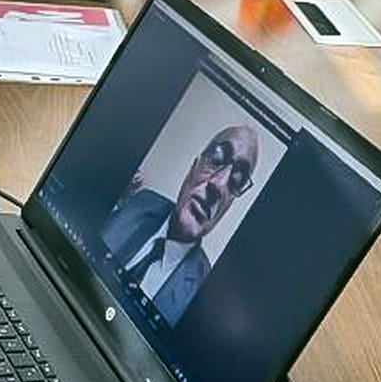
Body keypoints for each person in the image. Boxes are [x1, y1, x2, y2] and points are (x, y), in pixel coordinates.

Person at [99, 124, 260, 323]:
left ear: (229, 205)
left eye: (237, 180)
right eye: (217, 158)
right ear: (194, 166)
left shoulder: (204, 294)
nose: (218, 185)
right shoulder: (142, 201)